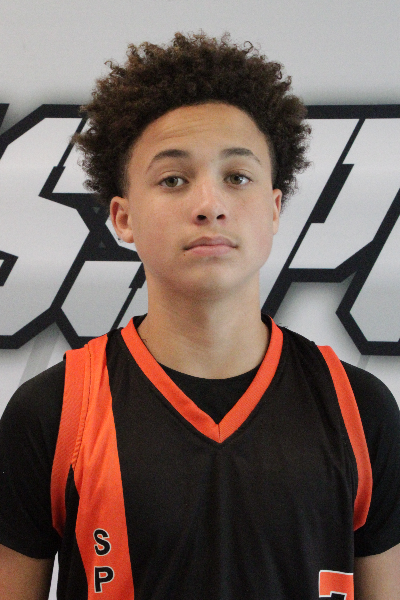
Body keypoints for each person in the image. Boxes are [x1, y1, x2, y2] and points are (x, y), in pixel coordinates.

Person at [0, 31, 399, 600]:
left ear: (274, 208)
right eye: (173, 180)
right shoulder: (53, 412)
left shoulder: (361, 410)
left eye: (237, 177)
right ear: (123, 217)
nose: (209, 204)